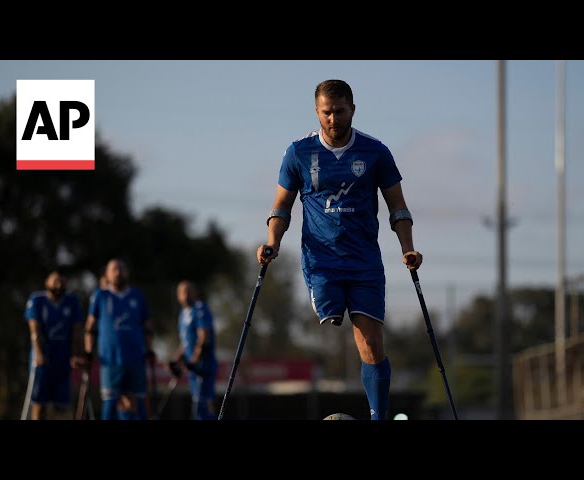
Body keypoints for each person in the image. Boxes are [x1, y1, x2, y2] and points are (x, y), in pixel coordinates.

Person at [257, 79, 423, 420]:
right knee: (330, 317)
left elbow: (398, 208)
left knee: (371, 343)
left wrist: (408, 248)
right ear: (317, 112)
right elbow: (281, 207)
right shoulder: (298, 153)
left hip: (365, 261)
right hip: (322, 260)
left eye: (340, 111)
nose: (333, 119)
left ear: (353, 109)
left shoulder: (376, 152)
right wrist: (272, 243)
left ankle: (379, 415)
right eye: (326, 112)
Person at [84, 258, 156, 420]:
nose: (118, 272)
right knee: (110, 406)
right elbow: (90, 327)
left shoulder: (137, 297)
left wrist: (149, 349)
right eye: (114, 269)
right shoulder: (99, 296)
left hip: (135, 359)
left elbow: (147, 326)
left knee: (137, 406)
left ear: (127, 273)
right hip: (110, 361)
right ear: (107, 274)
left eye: (121, 269)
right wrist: (88, 351)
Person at [23, 270, 86, 420]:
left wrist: (77, 354)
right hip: (43, 361)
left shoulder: (72, 301)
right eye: (55, 280)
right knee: (39, 403)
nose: (59, 284)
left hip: (62, 360)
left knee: (62, 406)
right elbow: (34, 330)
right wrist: (38, 353)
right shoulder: (37, 301)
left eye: (62, 281)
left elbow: (76, 331)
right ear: (47, 282)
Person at [168, 280, 218, 420]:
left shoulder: (200, 309)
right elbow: (184, 342)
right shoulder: (183, 315)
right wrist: (176, 361)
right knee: (197, 406)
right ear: (179, 296)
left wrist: (194, 360)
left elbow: (204, 337)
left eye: (189, 290)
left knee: (203, 407)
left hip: (203, 366)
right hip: (193, 370)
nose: (187, 294)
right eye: (183, 292)